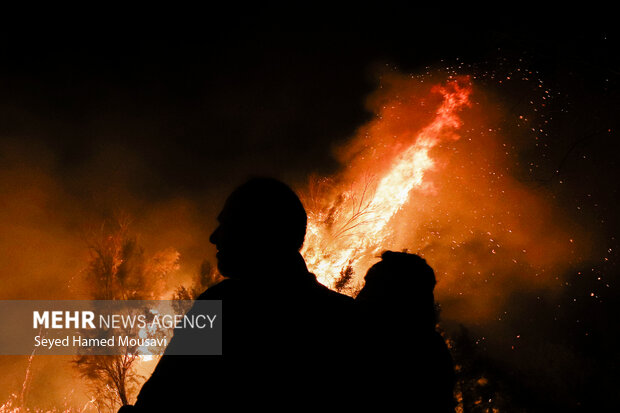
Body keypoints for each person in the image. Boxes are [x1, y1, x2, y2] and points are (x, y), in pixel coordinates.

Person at [120, 177, 356, 411]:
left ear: (256, 231)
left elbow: (158, 402)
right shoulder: (345, 316)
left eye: (227, 225)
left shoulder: (221, 307)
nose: (214, 237)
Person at [356, 251, 456, 412]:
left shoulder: (427, 356)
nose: (362, 295)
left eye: (372, 287)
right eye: (366, 285)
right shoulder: (434, 349)